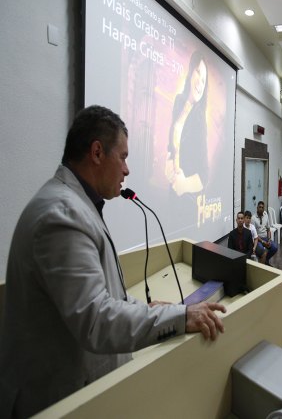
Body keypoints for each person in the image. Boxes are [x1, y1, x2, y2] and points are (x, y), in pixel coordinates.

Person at [0, 106, 225, 418]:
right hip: (57, 402)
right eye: (123, 156)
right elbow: (95, 319)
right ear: (96, 152)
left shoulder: (73, 203)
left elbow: (103, 298)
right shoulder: (62, 216)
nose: (127, 170)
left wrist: (147, 309)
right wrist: (179, 317)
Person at [166, 51, 209, 197]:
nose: (200, 83)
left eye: (204, 80)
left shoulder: (200, 119)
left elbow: (204, 175)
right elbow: (171, 146)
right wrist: (168, 162)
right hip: (172, 190)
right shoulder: (179, 102)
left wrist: (183, 185)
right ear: (191, 72)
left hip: (188, 198)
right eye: (198, 73)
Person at [252, 201, 278, 265]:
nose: (261, 208)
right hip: (258, 239)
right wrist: (263, 242)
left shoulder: (265, 215)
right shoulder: (253, 218)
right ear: (257, 208)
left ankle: (265, 260)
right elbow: (254, 234)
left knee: (274, 247)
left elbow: (268, 229)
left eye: (262, 207)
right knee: (261, 250)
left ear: (264, 209)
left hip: (266, 238)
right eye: (259, 207)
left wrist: (269, 239)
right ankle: (262, 263)